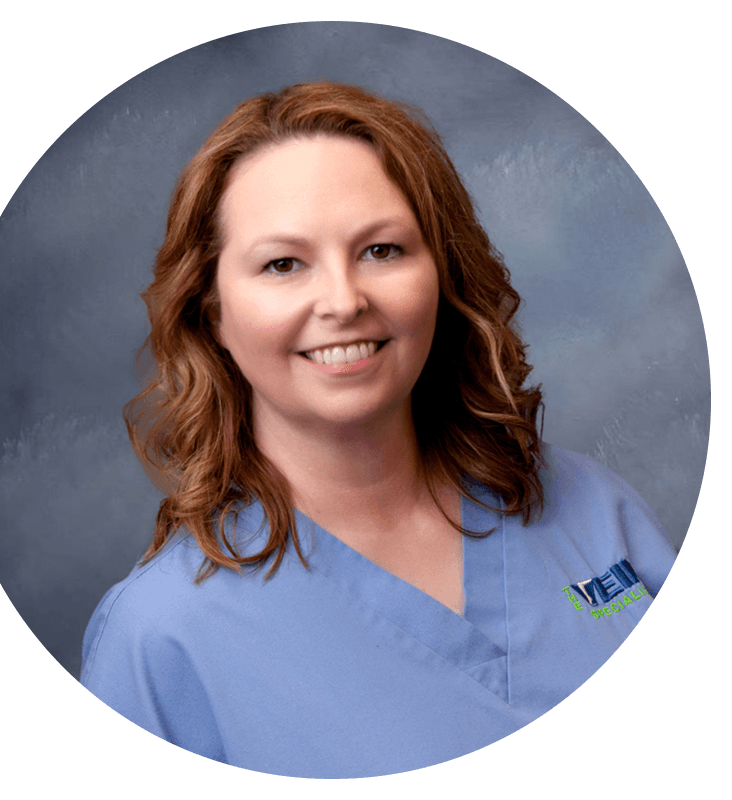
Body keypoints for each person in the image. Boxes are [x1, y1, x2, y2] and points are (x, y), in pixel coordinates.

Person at [80, 82, 677, 779]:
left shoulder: (595, 510)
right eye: (283, 264)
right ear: (211, 311)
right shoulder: (161, 637)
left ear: (441, 272)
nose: (343, 300)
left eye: (382, 250)